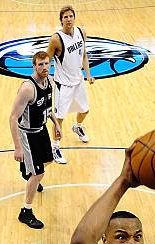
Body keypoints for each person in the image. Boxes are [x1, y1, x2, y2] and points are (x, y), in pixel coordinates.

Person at [9, 51, 62, 230]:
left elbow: (48, 107)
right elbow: (13, 117)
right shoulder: (27, 88)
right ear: (34, 66)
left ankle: (27, 170)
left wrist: (56, 124)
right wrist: (18, 148)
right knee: (38, 174)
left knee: (48, 160)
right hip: (27, 134)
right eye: (40, 64)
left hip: (41, 130)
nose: (44, 67)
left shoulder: (50, 82)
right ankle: (26, 211)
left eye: (47, 64)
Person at [47, 5, 95, 165]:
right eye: (65, 17)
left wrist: (88, 75)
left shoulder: (81, 32)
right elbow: (46, 60)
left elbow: (84, 54)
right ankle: (55, 147)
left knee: (85, 110)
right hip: (63, 85)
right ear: (61, 20)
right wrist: (44, 80)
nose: (68, 19)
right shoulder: (56, 39)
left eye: (70, 16)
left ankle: (78, 126)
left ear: (74, 18)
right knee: (58, 119)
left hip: (78, 81)